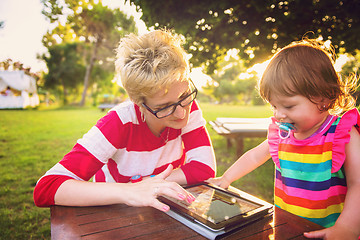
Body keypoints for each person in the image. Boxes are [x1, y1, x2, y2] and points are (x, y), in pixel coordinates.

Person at [34, 29, 216, 212]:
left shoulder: (187, 106)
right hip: (115, 213)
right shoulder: (117, 123)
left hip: (159, 210)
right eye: (164, 107)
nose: (181, 113)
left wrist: (151, 184)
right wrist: (129, 190)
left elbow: (203, 169)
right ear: (139, 103)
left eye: (185, 95)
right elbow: (46, 188)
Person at [207, 39, 360, 239]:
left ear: (325, 96)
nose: (279, 114)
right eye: (274, 106)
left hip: (331, 232)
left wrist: (347, 227)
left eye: (288, 106)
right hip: (286, 228)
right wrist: (226, 178)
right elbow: (254, 157)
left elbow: (358, 182)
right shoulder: (283, 134)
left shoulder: (341, 133)